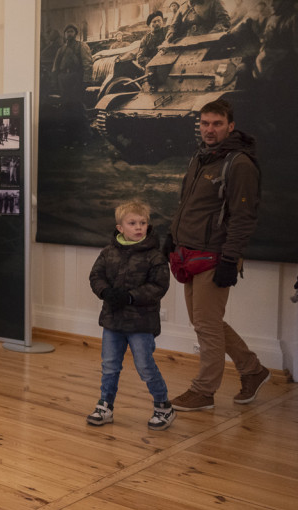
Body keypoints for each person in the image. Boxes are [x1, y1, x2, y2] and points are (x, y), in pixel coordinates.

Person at [167, 98, 270, 411]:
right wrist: (172, 237)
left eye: (216, 124)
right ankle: (252, 369)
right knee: (205, 323)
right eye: (204, 123)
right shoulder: (202, 157)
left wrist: (229, 258)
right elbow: (188, 204)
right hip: (189, 253)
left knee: (207, 326)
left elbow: (244, 217)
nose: (209, 130)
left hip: (215, 256)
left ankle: (204, 391)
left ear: (231, 126)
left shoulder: (239, 164)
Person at [86, 200, 175, 430]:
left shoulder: (155, 256)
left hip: (141, 323)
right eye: (132, 223)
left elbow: (158, 286)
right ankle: (105, 405)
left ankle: (163, 406)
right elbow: (96, 276)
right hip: (113, 321)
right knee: (110, 365)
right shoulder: (108, 252)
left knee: (145, 365)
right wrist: (106, 291)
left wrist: (130, 297)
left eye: (143, 223)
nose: (139, 227)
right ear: (120, 227)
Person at [51, 24, 93, 104]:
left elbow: (87, 64)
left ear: (75, 34)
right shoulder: (61, 49)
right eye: (67, 32)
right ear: (64, 34)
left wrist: (86, 80)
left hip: (76, 78)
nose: (69, 34)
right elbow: (55, 67)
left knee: (76, 102)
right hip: (63, 79)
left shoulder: (81, 46)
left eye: (71, 31)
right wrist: (54, 81)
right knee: (64, 102)